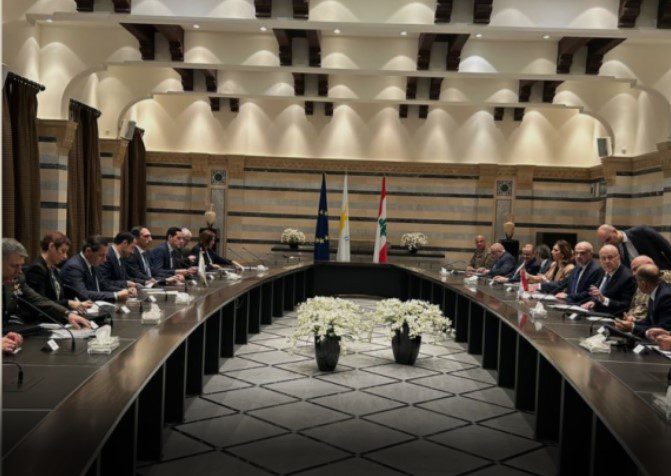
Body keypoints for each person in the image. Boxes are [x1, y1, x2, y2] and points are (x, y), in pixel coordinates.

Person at [2, 238, 91, 329]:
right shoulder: (36, 269)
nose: (19, 271)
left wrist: (68, 314)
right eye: (14, 266)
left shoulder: (17, 279)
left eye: (21, 265)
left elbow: (38, 300)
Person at [24, 231, 93, 313]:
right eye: (63, 251)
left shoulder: (53, 268)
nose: (65, 256)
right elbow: (41, 303)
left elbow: (59, 298)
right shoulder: (37, 269)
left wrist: (76, 304)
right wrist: (69, 303)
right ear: (51, 247)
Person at [61, 235, 136, 303]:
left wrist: (125, 291)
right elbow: (83, 294)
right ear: (88, 251)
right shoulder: (74, 267)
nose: (105, 259)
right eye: (101, 255)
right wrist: (115, 295)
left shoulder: (93, 263)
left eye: (105, 255)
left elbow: (104, 285)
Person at [615, 264, 671, 338]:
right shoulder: (656, 291)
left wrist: (632, 328)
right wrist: (633, 323)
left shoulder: (666, 297)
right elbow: (649, 322)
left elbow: (664, 329)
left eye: (637, 281)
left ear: (643, 284)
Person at [582, 244, 636, 315]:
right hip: (596, 313)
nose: (606, 261)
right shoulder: (602, 271)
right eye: (603, 258)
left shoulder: (628, 277)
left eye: (610, 257)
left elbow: (625, 306)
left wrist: (604, 300)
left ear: (618, 257)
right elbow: (599, 293)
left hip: (613, 316)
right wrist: (593, 301)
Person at [597, 224, 671, 269]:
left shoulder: (641, 231)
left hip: (658, 272)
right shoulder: (614, 248)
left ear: (614, 231)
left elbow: (667, 248)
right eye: (605, 242)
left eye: (609, 239)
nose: (609, 243)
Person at [622, 255, 671, 322]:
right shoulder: (641, 283)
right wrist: (629, 316)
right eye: (632, 270)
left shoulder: (665, 281)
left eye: (635, 269)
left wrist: (635, 322)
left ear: (649, 265)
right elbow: (633, 306)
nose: (633, 274)